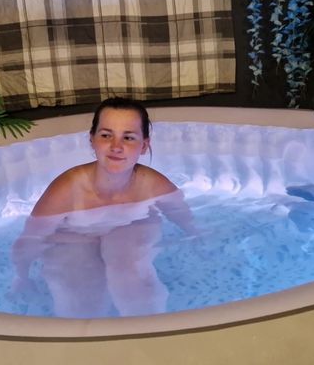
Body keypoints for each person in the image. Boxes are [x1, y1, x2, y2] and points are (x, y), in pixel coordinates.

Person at [10, 97, 197, 318]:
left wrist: (197, 235)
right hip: (74, 235)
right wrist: (21, 277)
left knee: (132, 276)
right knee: (79, 299)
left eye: (128, 137)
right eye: (106, 135)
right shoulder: (66, 189)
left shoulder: (154, 184)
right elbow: (31, 238)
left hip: (131, 226)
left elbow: (182, 215)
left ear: (144, 146)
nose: (116, 147)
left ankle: (147, 337)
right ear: (92, 140)